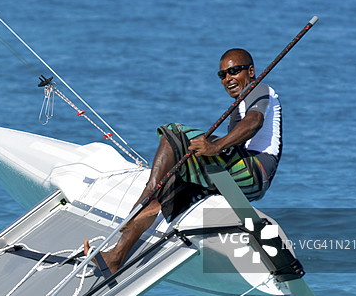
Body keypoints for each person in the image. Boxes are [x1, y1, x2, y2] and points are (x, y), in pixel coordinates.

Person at [85, 48, 282, 273]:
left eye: (234, 71)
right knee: (167, 186)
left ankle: (145, 196)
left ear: (251, 71)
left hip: (255, 173)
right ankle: (116, 256)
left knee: (174, 133)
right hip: (239, 174)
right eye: (223, 75)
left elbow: (254, 122)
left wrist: (215, 146)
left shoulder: (260, 89)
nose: (228, 79)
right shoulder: (240, 102)